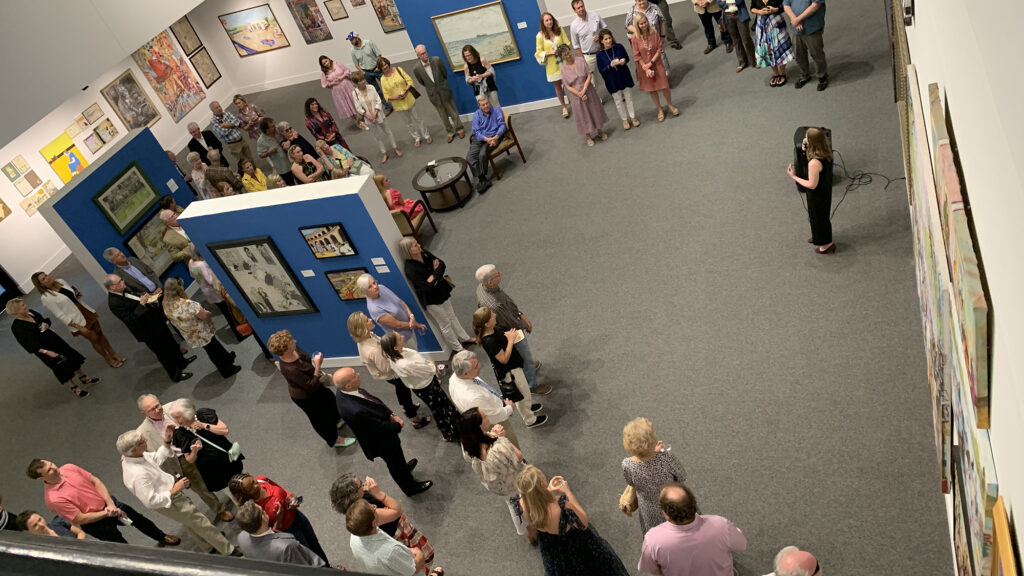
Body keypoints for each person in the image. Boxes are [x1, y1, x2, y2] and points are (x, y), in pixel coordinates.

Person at [116, 429, 238, 555]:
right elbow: (150, 501)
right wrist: (174, 490)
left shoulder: (135, 455)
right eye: (142, 441)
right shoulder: (138, 475)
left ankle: (208, 545)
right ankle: (228, 550)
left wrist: (167, 442)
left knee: (190, 523)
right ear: (134, 450)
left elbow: (156, 459)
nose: (146, 440)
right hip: (169, 502)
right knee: (201, 522)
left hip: (170, 494)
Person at [26, 459, 179, 546]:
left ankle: (161, 537)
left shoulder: (68, 468)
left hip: (110, 505)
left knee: (140, 520)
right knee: (120, 546)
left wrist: (110, 505)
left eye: (51, 464)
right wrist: (106, 512)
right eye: (49, 470)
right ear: (41, 479)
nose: (54, 468)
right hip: (96, 524)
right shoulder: (53, 499)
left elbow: (95, 481)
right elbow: (80, 518)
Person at [333, 367, 434, 496]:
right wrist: (398, 425)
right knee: (394, 464)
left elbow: (374, 402)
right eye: (354, 375)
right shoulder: (355, 410)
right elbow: (378, 429)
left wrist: (391, 414)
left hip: (380, 430)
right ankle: (410, 488)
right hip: (381, 442)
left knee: (398, 458)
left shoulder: (345, 391)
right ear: (348, 385)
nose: (358, 374)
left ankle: (404, 468)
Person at [135, 393, 234, 522]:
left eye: (157, 405)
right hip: (181, 460)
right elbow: (143, 452)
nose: (158, 409)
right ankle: (220, 509)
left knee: (219, 471)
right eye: (152, 409)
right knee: (201, 487)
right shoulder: (142, 432)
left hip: (200, 446)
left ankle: (237, 491)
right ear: (144, 413)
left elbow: (193, 416)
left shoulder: (173, 407)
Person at [517, 465, 629, 575]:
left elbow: (538, 503)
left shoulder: (522, 503)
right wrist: (568, 492)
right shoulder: (561, 506)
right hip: (574, 544)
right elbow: (583, 523)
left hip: (551, 547)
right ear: (542, 484)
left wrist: (548, 491)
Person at [267, 329, 355, 448]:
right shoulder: (290, 369)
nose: (295, 341)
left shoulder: (294, 349)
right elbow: (310, 385)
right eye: (291, 342)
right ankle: (334, 440)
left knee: (330, 400)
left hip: (315, 386)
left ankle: (337, 420)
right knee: (320, 419)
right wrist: (318, 365)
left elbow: (306, 360)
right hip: (306, 396)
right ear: (285, 350)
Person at [329, 473, 435, 570]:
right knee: (419, 562)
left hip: (392, 531)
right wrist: (379, 493)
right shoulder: (367, 512)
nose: (364, 484)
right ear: (354, 495)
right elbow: (397, 511)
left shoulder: (355, 508)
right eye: (360, 484)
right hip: (398, 532)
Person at [638, 483, 747, 576]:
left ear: (666, 514)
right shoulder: (721, 525)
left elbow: (652, 569)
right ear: (694, 504)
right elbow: (741, 545)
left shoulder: (653, 539)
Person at [475, 264, 550, 395]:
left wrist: (520, 314)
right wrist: (526, 325)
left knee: (523, 356)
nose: (501, 275)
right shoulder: (494, 304)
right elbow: (511, 322)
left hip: (506, 325)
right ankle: (532, 385)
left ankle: (530, 366)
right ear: (490, 281)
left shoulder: (482, 287)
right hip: (509, 331)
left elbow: (508, 304)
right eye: (498, 275)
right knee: (524, 356)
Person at [105, 274, 194, 382]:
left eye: (122, 279)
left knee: (170, 343)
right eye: (120, 281)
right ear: (112, 287)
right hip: (147, 331)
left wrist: (150, 297)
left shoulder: (124, 289)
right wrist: (141, 304)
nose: (123, 282)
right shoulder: (114, 303)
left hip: (155, 321)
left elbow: (138, 298)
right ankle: (175, 375)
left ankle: (181, 362)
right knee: (163, 353)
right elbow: (130, 319)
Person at [347, 312, 429, 428]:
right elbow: (385, 368)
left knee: (401, 390)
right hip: (392, 374)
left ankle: (406, 408)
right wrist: (398, 354)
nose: (370, 320)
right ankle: (414, 418)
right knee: (405, 391)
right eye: (366, 320)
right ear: (361, 328)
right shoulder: (372, 350)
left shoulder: (367, 337)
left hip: (389, 373)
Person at [228, 472, 329, 565]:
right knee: (308, 553)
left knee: (314, 542)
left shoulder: (261, 479)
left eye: (253, 480)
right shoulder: (255, 510)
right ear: (245, 494)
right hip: (289, 530)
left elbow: (281, 490)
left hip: (297, 516)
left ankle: (329, 568)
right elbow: (269, 535)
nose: (256, 484)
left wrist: (291, 498)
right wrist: (279, 520)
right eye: (251, 487)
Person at [459, 407, 529, 537]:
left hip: (499, 485)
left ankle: (523, 530)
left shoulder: (468, 444)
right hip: (515, 480)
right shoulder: (496, 450)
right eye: (484, 416)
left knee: (513, 505)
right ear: (478, 426)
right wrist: (501, 438)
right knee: (527, 499)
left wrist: (492, 434)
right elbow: (518, 456)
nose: (487, 415)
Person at [8, 298, 97, 398]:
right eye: (23, 306)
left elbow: (43, 320)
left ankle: (84, 378)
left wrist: (46, 324)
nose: (26, 306)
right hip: (44, 349)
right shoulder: (17, 327)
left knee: (70, 357)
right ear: (16, 311)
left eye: (24, 304)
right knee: (60, 366)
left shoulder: (31, 312)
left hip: (55, 340)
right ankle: (74, 387)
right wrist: (47, 352)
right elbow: (29, 344)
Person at [472, 307, 545, 429]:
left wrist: (510, 335)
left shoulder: (493, 330)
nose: (495, 315)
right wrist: (511, 341)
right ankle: (530, 419)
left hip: (514, 366)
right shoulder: (489, 341)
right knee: (522, 394)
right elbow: (503, 359)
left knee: (524, 391)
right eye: (492, 316)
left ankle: (528, 407)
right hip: (510, 372)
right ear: (486, 323)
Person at [380, 332, 460, 442]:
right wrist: (432, 364)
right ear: (395, 347)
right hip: (427, 387)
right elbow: (427, 370)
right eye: (399, 338)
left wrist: (428, 363)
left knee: (443, 404)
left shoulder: (397, 353)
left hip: (424, 384)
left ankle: (455, 421)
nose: (403, 336)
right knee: (439, 409)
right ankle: (449, 433)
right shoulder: (405, 364)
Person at [33, 271, 124, 368]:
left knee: (100, 334)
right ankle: (108, 359)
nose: (47, 278)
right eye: (43, 279)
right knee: (94, 339)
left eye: (46, 276)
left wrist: (77, 294)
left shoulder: (60, 281)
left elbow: (72, 295)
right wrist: (78, 327)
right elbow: (60, 315)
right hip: (76, 321)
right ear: (40, 285)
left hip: (85, 310)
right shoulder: (46, 298)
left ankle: (113, 353)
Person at [399, 237, 474, 353]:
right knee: (445, 324)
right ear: (408, 250)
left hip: (441, 292)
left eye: (417, 243)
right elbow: (426, 287)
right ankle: (458, 348)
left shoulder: (425, 254)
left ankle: (465, 338)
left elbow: (442, 265)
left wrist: (433, 277)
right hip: (431, 300)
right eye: (415, 245)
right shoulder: (410, 269)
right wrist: (435, 274)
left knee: (452, 316)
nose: (419, 245)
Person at [162, 277, 241, 378]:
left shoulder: (166, 305)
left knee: (211, 348)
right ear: (179, 289)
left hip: (191, 334)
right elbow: (204, 315)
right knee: (214, 349)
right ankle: (226, 370)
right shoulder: (187, 304)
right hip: (202, 331)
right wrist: (207, 311)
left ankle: (227, 358)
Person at [621, 417, 687, 535]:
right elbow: (682, 476)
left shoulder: (627, 465)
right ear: (653, 440)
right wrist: (657, 453)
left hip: (650, 509)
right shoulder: (666, 458)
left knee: (658, 535)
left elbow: (631, 482)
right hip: (673, 501)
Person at [346, 499, 443, 576]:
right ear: (373, 522)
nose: (375, 507)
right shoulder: (391, 551)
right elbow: (413, 569)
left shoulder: (354, 537)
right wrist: (419, 553)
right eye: (373, 509)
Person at [168, 398, 244, 494]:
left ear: (187, 413)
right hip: (213, 470)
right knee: (232, 491)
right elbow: (189, 459)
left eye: (178, 417)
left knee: (243, 481)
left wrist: (204, 425)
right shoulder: (180, 434)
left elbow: (224, 430)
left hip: (228, 459)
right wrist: (194, 451)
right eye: (174, 418)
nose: (176, 421)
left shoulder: (202, 414)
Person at [449, 351, 520, 448]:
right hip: (494, 422)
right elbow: (495, 416)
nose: (480, 366)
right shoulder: (474, 398)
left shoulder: (454, 377)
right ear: (465, 373)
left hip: (490, 408)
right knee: (511, 447)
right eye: (476, 366)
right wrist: (509, 407)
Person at [235, 501, 327, 567]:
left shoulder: (241, 537)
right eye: (262, 509)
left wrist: (277, 525)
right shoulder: (287, 547)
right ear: (263, 518)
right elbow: (307, 569)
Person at [787, 127, 834, 254]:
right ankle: (818, 236)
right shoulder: (825, 151)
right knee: (816, 217)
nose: (804, 140)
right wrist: (805, 149)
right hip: (824, 190)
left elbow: (811, 185)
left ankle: (826, 244)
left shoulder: (814, 163)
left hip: (817, 194)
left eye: (807, 139)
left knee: (819, 218)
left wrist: (794, 177)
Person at [357, 273, 426, 351]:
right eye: (370, 287)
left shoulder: (382, 288)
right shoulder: (374, 309)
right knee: (413, 357)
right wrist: (415, 324)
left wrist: (411, 316)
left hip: (410, 327)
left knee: (416, 351)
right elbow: (397, 325)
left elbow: (400, 302)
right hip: (402, 339)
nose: (375, 286)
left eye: (374, 282)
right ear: (364, 291)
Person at [557, 44, 609, 147]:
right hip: (576, 96)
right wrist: (579, 94)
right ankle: (588, 136)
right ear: (562, 57)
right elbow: (567, 86)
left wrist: (584, 89)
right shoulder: (563, 69)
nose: (568, 56)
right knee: (583, 115)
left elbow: (589, 74)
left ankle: (600, 130)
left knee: (594, 110)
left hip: (588, 90)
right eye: (565, 55)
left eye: (568, 52)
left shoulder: (581, 60)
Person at [412, 45, 465, 143]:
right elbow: (422, 82)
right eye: (422, 54)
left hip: (444, 90)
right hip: (434, 95)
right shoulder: (417, 68)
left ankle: (460, 129)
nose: (425, 55)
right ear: (418, 55)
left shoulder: (437, 60)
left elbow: (444, 73)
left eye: (425, 52)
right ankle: (450, 132)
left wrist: (441, 84)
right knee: (443, 115)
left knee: (453, 111)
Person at [632, 12, 678, 122]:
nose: (644, 25)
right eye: (641, 24)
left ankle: (670, 105)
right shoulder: (635, 38)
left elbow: (659, 49)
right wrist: (646, 67)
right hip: (644, 68)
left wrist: (651, 63)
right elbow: (636, 55)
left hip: (656, 63)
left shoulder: (654, 32)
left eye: (645, 22)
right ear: (637, 25)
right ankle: (659, 109)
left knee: (664, 86)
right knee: (652, 90)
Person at [378, 56, 430, 147]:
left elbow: (409, 81)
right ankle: (416, 138)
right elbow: (386, 96)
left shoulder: (398, 69)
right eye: (382, 66)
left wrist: (405, 90)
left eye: (385, 64)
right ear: (380, 68)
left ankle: (426, 135)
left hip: (409, 99)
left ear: (388, 63)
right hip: (398, 105)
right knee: (408, 123)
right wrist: (396, 97)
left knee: (418, 119)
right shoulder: (382, 79)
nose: (385, 67)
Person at [353, 70, 402, 164]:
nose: (363, 82)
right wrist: (368, 116)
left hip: (378, 114)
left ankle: (395, 148)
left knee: (388, 132)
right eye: (360, 81)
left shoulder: (371, 87)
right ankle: (384, 153)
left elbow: (378, 100)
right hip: (368, 118)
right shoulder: (354, 93)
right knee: (377, 136)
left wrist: (375, 113)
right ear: (356, 83)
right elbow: (358, 107)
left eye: (363, 79)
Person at [596, 30, 639, 131]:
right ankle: (624, 119)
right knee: (618, 100)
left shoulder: (619, 47)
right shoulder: (599, 54)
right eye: (606, 39)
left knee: (628, 97)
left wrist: (623, 61)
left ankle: (632, 116)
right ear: (601, 41)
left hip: (623, 75)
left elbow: (627, 58)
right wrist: (610, 66)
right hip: (612, 80)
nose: (608, 41)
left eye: (610, 38)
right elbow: (601, 70)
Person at [784, 0, 827, 91]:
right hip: (796, 28)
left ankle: (822, 76)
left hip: (812, 27)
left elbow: (815, 5)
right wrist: (794, 19)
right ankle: (804, 75)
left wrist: (798, 19)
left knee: (816, 53)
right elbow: (786, 4)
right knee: (799, 54)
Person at [466, 94, 505, 193]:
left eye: (487, 103)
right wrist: (486, 139)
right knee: (470, 158)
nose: (486, 106)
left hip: (493, 138)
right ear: (479, 106)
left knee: (483, 155)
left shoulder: (497, 111)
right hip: (480, 138)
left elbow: (502, 126)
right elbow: (476, 132)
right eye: (483, 105)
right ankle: (482, 178)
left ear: (489, 102)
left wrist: (496, 137)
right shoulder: (476, 115)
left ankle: (483, 179)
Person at [536, 13, 572, 119]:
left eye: (550, 19)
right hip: (552, 66)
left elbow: (567, 44)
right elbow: (538, 53)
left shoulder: (559, 30)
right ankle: (564, 107)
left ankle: (575, 102)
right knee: (558, 86)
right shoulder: (539, 36)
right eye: (546, 20)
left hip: (565, 62)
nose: (549, 22)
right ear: (543, 23)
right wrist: (550, 52)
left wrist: (562, 50)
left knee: (571, 83)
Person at [751, 0, 793, 87]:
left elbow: (784, 7)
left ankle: (782, 73)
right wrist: (759, 11)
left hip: (776, 23)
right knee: (766, 49)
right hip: (762, 25)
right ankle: (775, 74)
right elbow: (752, 8)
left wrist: (775, 10)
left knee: (780, 48)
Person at [348, 32, 392, 114]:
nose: (351, 42)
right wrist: (363, 72)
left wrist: (379, 66)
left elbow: (378, 54)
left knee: (387, 85)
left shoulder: (368, 43)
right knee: (377, 90)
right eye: (350, 40)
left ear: (357, 38)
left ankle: (394, 101)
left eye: (352, 39)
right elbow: (356, 64)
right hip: (367, 72)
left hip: (377, 69)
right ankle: (388, 106)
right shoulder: (353, 50)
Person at [569, 0, 608, 80]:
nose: (581, 9)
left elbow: (604, 29)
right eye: (578, 8)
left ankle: (614, 92)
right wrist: (582, 60)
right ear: (574, 10)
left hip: (602, 51)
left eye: (582, 6)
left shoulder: (595, 15)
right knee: (592, 81)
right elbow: (576, 45)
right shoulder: (574, 25)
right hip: (588, 56)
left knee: (609, 75)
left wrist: (600, 36)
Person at [319, 55, 360, 128]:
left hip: (347, 86)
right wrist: (332, 83)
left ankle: (361, 117)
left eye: (326, 61)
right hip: (337, 91)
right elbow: (324, 84)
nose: (326, 64)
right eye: (324, 64)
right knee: (346, 105)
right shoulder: (324, 72)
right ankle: (357, 120)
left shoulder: (337, 64)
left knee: (354, 100)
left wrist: (342, 77)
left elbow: (347, 70)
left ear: (328, 59)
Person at [257, 117, 296, 186]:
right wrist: (269, 152)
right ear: (266, 130)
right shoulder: (261, 141)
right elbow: (261, 155)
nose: (275, 127)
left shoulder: (279, 130)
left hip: (294, 161)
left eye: (274, 124)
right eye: (272, 126)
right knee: (291, 185)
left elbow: (293, 133)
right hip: (283, 168)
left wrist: (289, 140)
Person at [720, 0, 757, 72]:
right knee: (736, 41)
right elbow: (719, 3)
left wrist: (726, 1)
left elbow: (739, 1)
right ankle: (742, 62)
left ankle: (753, 61)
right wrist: (730, 3)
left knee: (746, 39)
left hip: (740, 15)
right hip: (728, 17)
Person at [15, 510, 86, 539]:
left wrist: (78, 546)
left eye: (40, 520)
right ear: (28, 531)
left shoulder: (58, 522)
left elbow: (80, 532)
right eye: (35, 525)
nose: (41, 524)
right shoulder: (38, 547)